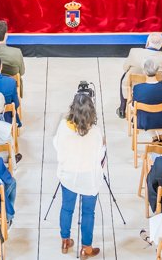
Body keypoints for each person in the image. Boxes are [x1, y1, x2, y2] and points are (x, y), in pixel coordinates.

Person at [54, 89, 106, 258]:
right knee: (88, 213)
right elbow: (100, 155)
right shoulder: (96, 132)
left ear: (73, 110)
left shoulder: (64, 126)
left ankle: (65, 240)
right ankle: (86, 248)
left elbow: (58, 147)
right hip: (89, 177)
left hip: (69, 175)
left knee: (66, 208)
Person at [120, 34, 162, 117]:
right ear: (161, 45)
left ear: (147, 42)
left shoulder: (134, 52)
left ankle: (122, 108)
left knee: (125, 75)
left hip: (135, 86)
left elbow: (125, 68)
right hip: (156, 87)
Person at [132, 59, 162, 139]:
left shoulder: (137, 88)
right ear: (157, 70)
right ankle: (161, 136)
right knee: (155, 109)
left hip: (144, 122)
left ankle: (155, 137)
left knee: (142, 110)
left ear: (144, 71)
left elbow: (134, 105)